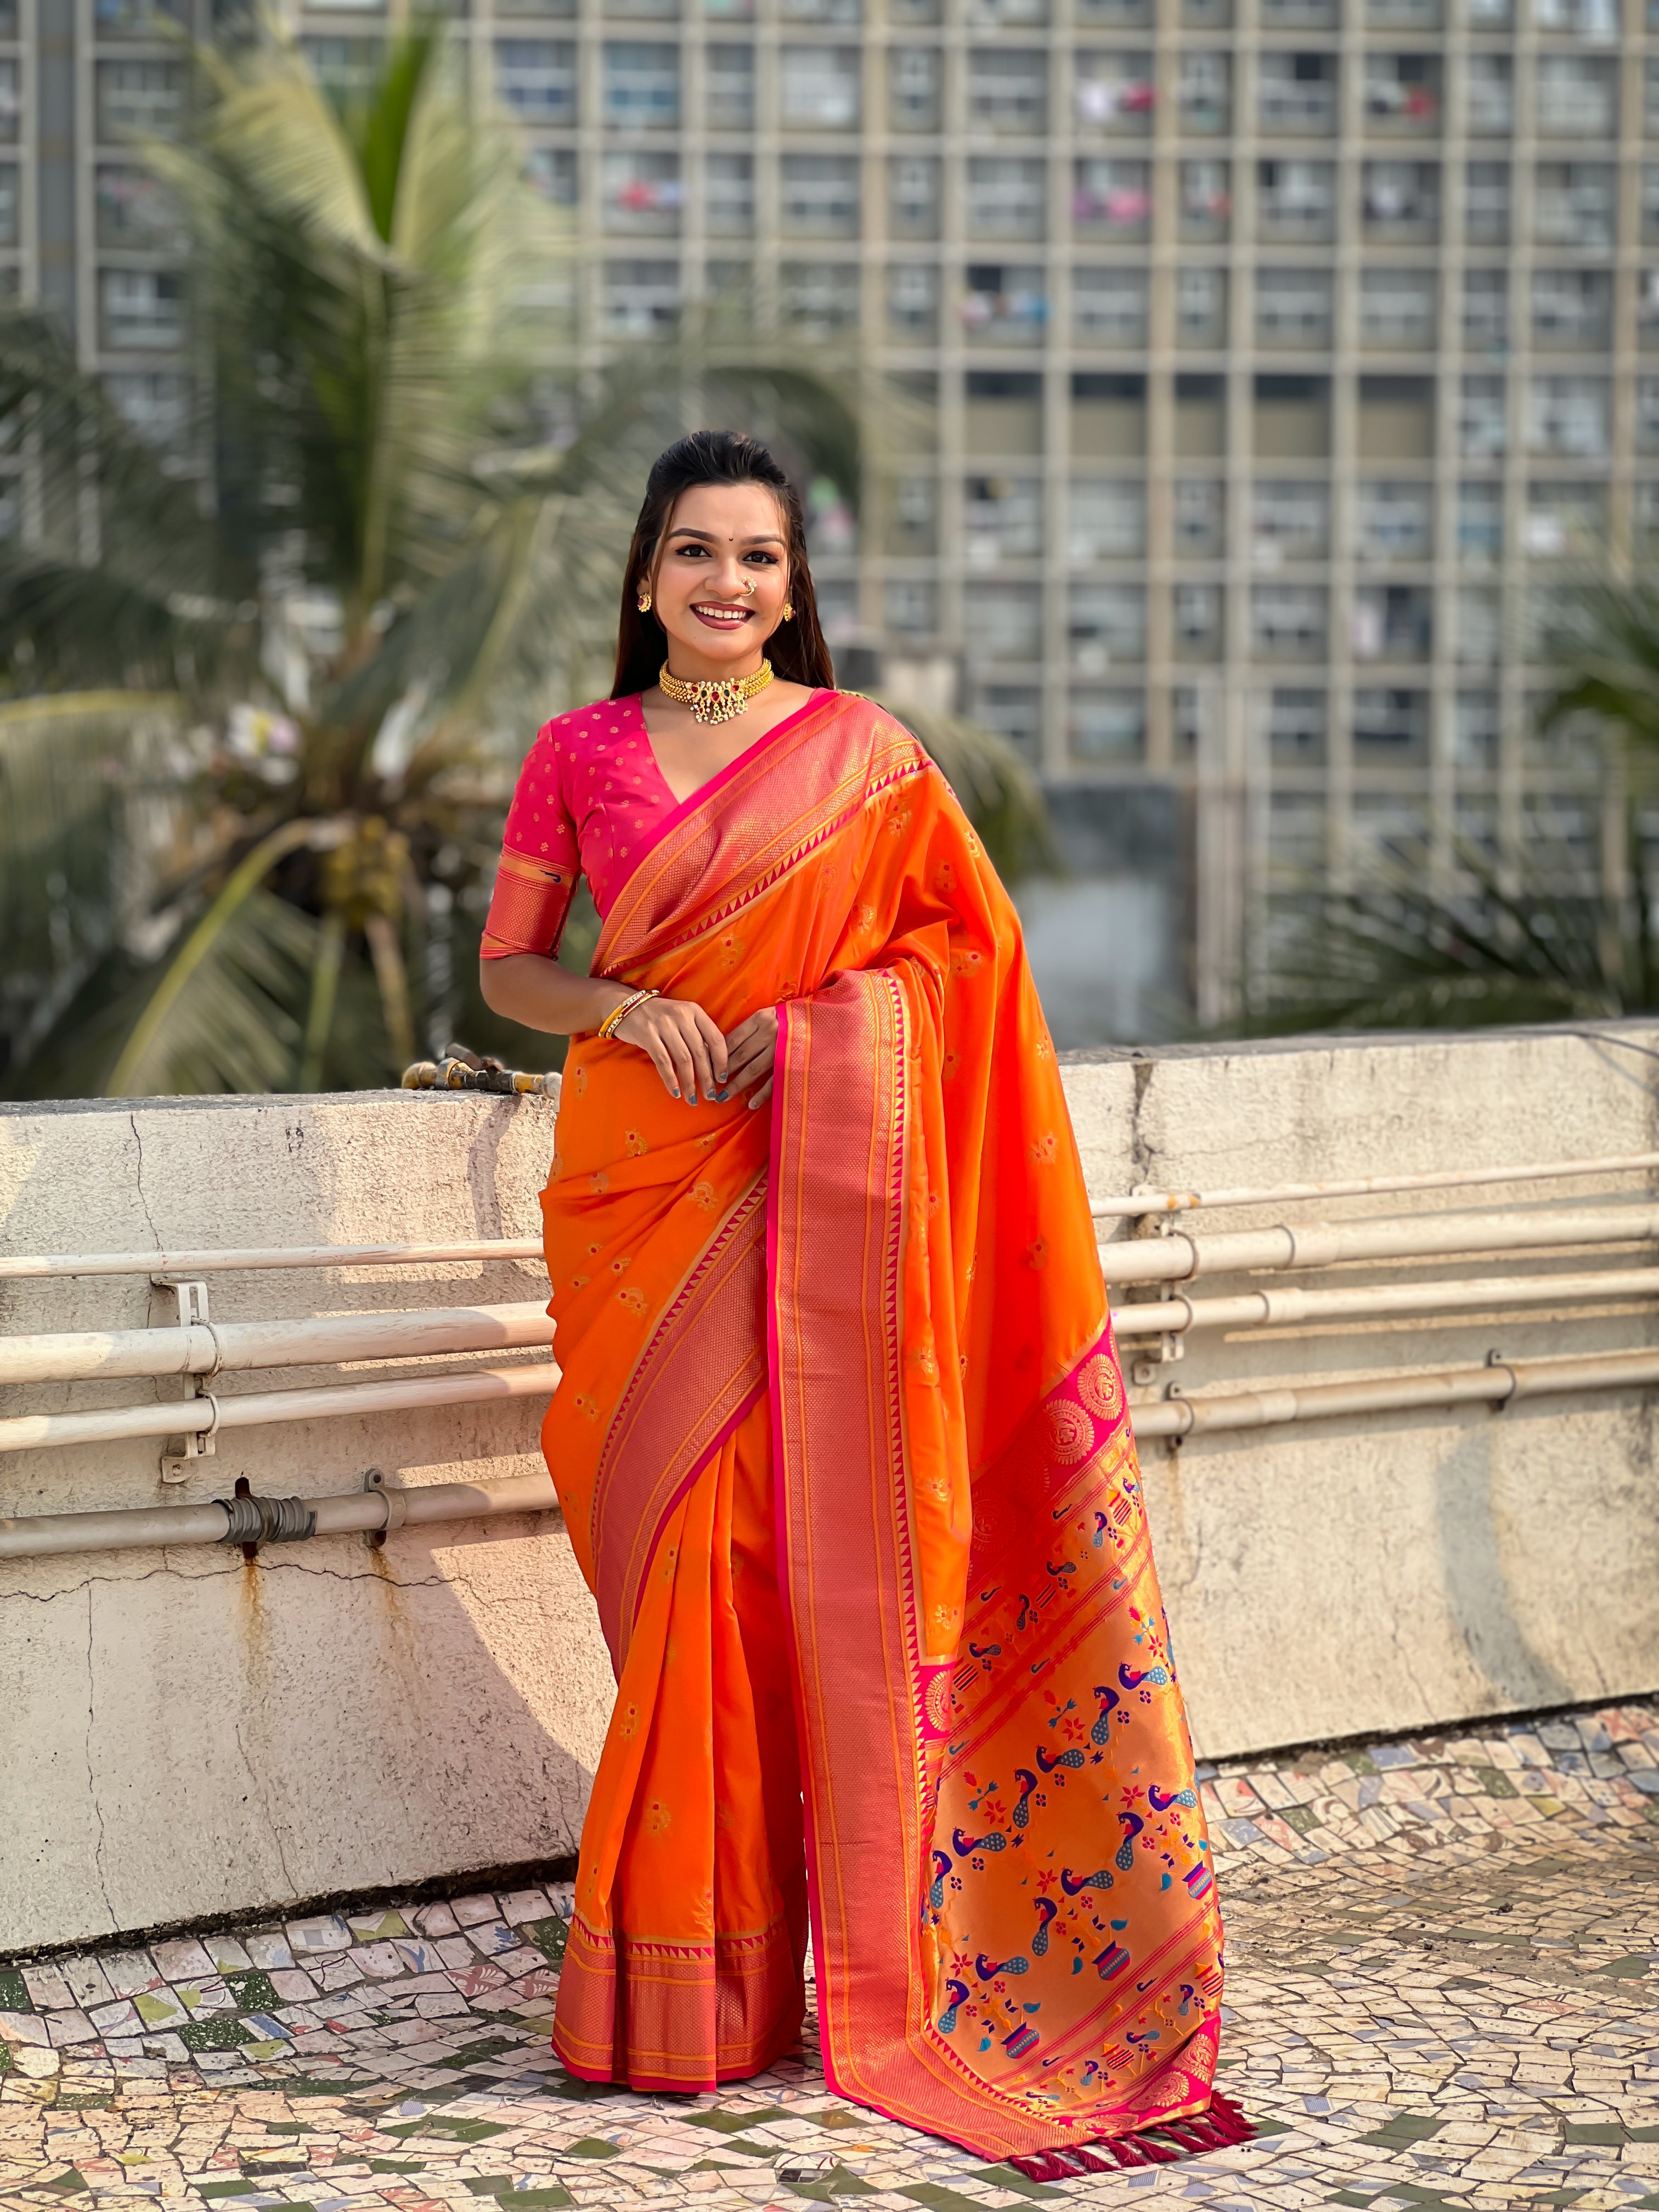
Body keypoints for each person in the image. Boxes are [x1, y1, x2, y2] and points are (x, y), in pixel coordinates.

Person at [478, 430, 1228, 2165]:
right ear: (644, 577)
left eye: (757, 558)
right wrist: (617, 1009)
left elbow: (968, 960)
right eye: (693, 554)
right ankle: (695, 1979)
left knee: (758, 1557)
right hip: (639, 1195)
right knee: (678, 1560)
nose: (724, 585)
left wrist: (813, 1036)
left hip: (811, 1197)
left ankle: (739, 1986)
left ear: (794, 589)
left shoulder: (867, 759)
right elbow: (514, 964)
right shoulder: (576, 750)